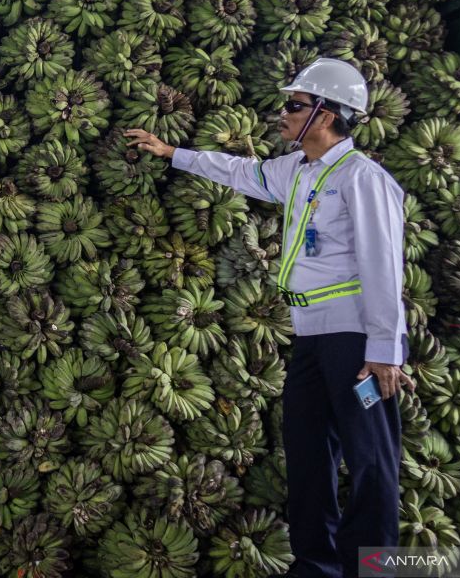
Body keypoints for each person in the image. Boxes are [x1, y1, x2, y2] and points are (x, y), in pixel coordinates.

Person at [126, 57, 415, 578]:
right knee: (308, 458)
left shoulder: (362, 179)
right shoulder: (299, 171)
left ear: (326, 115)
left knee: (371, 462)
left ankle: (375, 570)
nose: (283, 113)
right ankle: (316, 565)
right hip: (309, 337)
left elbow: (383, 264)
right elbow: (241, 172)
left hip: (354, 343)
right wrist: (174, 153)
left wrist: (384, 351)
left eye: (295, 105)